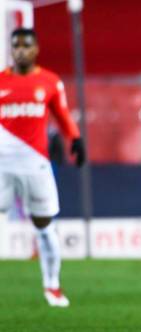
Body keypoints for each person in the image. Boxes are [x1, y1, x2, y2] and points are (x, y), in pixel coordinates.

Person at [0, 28, 86, 307]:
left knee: (44, 224)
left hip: (35, 163)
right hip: (2, 164)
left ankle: (53, 286)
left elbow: (61, 113)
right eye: (16, 46)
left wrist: (75, 138)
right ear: (11, 49)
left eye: (26, 45)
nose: (21, 50)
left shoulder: (49, 82)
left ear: (36, 49)